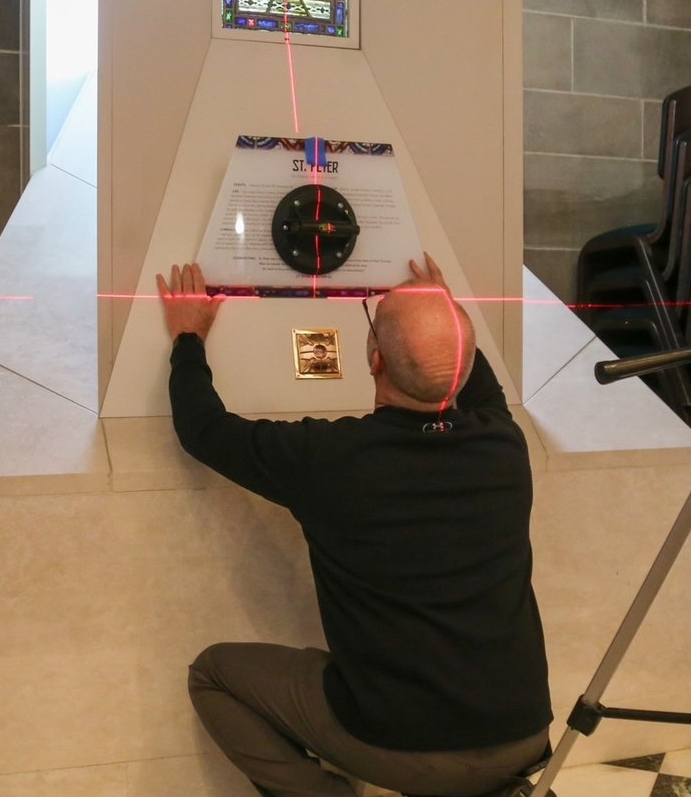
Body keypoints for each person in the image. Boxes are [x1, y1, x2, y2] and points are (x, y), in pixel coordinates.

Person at [156, 255, 552, 797]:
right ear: (465, 365)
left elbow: (203, 429)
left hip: (410, 753)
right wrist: (438, 309)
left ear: (374, 360)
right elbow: (477, 386)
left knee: (213, 674)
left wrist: (186, 338)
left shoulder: (329, 460)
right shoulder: (504, 447)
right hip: (524, 736)